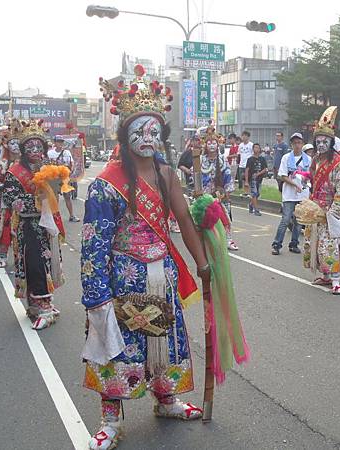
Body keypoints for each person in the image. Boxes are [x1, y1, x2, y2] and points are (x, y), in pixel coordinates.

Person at [84, 66, 210, 450]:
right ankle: (110, 418)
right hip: (123, 278)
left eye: (154, 130)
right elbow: (94, 246)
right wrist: (96, 295)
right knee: (118, 345)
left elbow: (185, 221)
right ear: (125, 135)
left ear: (162, 136)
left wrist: (203, 265)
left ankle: (166, 399)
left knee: (165, 342)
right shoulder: (106, 185)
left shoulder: (167, 174)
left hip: (162, 274)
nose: (147, 137)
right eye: (139, 130)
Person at [3, 119, 65, 330]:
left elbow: (57, 195)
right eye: (30, 146)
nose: (35, 150)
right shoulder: (14, 172)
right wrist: (39, 200)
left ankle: (46, 304)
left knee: (46, 264)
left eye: (39, 146)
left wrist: (52, 193)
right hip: (27, 227)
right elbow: (13, 201)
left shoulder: (49, 169)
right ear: (22, 149)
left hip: (46, 227)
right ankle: (38, 304)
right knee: (33, 264)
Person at [303, 107, 340, 295]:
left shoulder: (339, 163)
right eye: (318, 141)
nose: (321, 144)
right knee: (315, 244)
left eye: (325, 141)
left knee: (330, 246)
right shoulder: (315, 160)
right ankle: (326, 275)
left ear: (331, 143)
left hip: (331, 211)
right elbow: (314, 183)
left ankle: (336, 280)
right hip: (315, 209)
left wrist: (334, 211)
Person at [272, 132, 312, 255]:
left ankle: (294, 244)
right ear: (291, 144)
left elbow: (311, 176)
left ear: (302, 144)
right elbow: (283, 176)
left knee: (299, 221)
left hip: (302, 195)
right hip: (289, 194)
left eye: (299, 143)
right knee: (286, 219)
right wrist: (295, 184)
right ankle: (277, 244)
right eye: (295, 143)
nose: (297, 145)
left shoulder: (308, 159)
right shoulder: (286, 158)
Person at [200, 127, 238, 251]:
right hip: (205, 194)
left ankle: (228, 240)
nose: (211, 145)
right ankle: (206, 239)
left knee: (225, 218)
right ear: (205, 145)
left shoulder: (222, 159)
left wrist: (226, 192)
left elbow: (227, 175)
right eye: (209, 143)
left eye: (214, 143)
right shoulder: (200, 160)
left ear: (218, 145)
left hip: (220, 194)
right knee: (205, 218)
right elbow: (196, 176)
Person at [0, 118, 21, 267]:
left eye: (17, 143)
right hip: (8, 202)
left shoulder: (27, 162)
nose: (15, 146)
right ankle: (3, 256)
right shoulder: (2, 162)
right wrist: (5, 187)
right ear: (6, 144)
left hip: (26, 203)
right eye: (12, 143)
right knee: (6, 228)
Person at [47, 136, 80, 222]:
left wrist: (70, 171)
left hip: (64, 178)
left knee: (67, 197)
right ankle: (55, 216)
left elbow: (71, 163)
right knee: (55, 198)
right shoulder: (50, 153)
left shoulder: (67, 152)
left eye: (61, 142)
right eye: (58, 141)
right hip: (54, 178)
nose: (60, 143)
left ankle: (72, 216)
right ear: (55, 142)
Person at [245, 143, 268, 216]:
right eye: (255, 148)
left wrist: (259, 174)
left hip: (259, 178)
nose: (256, 149)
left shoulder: (262, 159)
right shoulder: (250, 159)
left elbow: (265, 169)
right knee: (254, 194)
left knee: (257, 194)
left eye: (258, 148)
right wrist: (246, 181)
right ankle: (256, 209)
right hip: (252, 179)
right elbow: (247, 170)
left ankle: (251, 204)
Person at [237, 130, 253, 194]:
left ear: (248, 137)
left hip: (248, 164)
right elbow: (239, 154)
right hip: (241, 164)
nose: (243, 137)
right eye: (242, 135)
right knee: (242, 178)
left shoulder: (251, 145)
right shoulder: (240, 145)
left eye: (245, 136)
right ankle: (245, 192)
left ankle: (250, 192)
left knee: (249, 178)